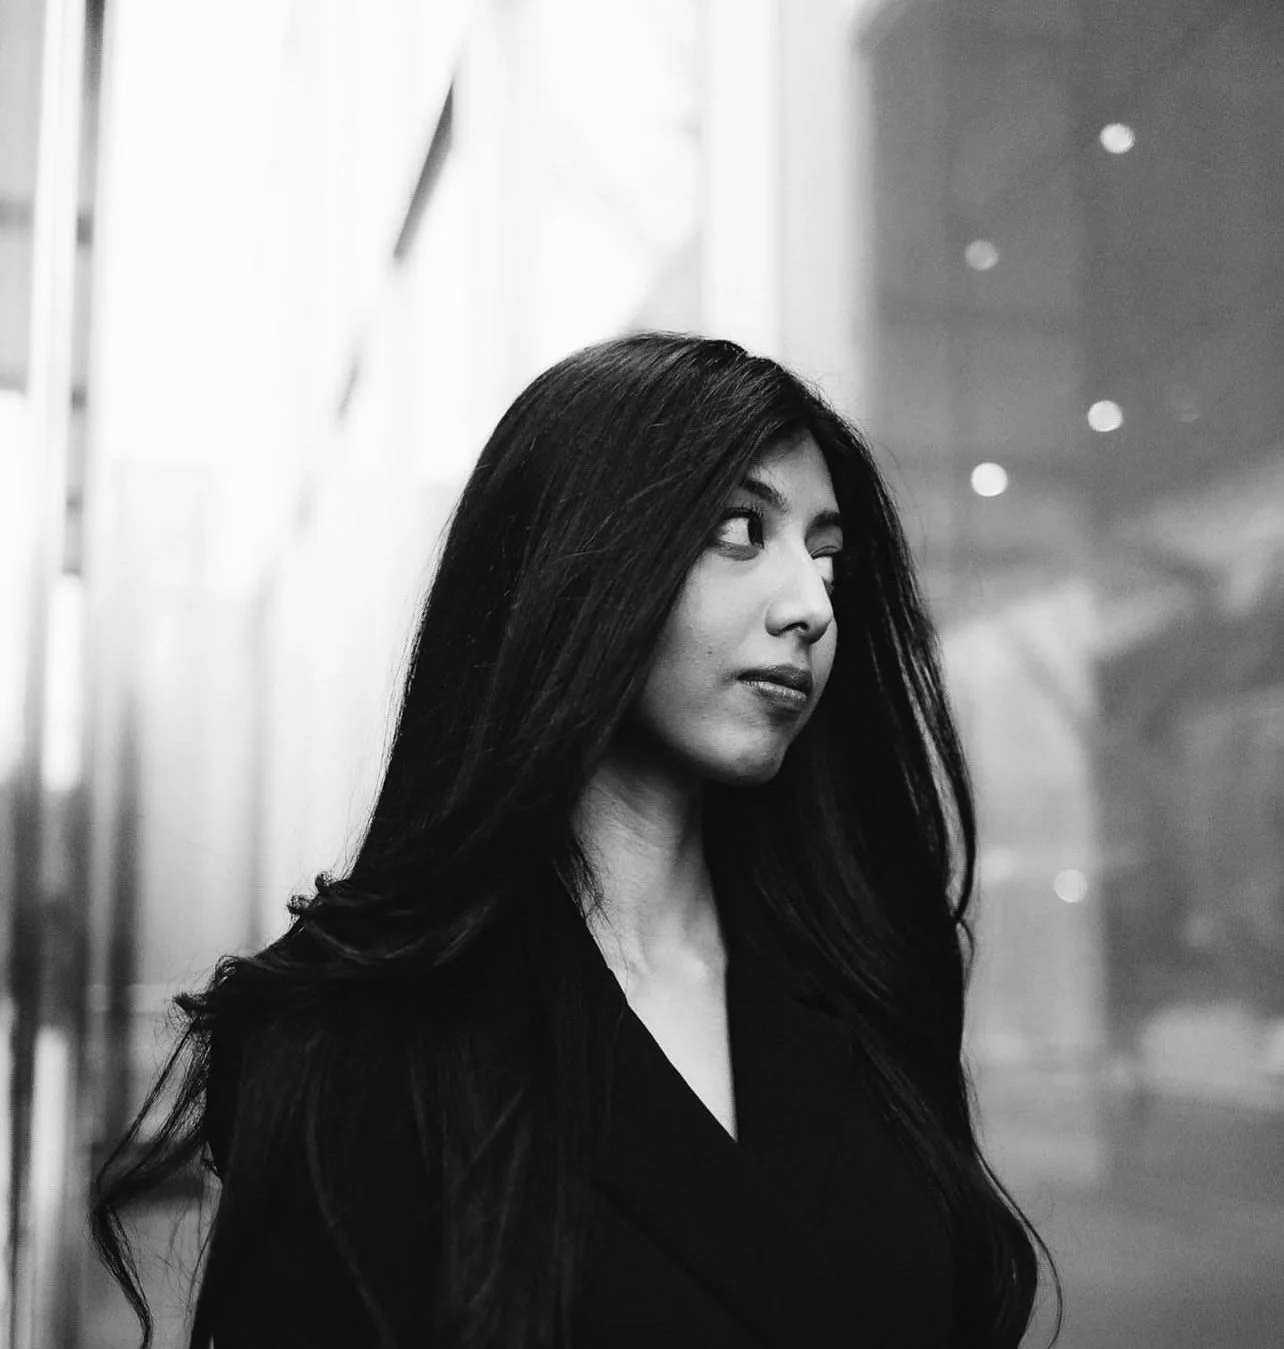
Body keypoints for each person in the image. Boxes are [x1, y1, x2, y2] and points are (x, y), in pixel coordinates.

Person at [92, 332, 1061, 1348]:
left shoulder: (863, 971)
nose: (811, 606)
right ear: (578, 560)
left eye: (829, 559)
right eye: (741, 528)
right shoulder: (359, 1034)